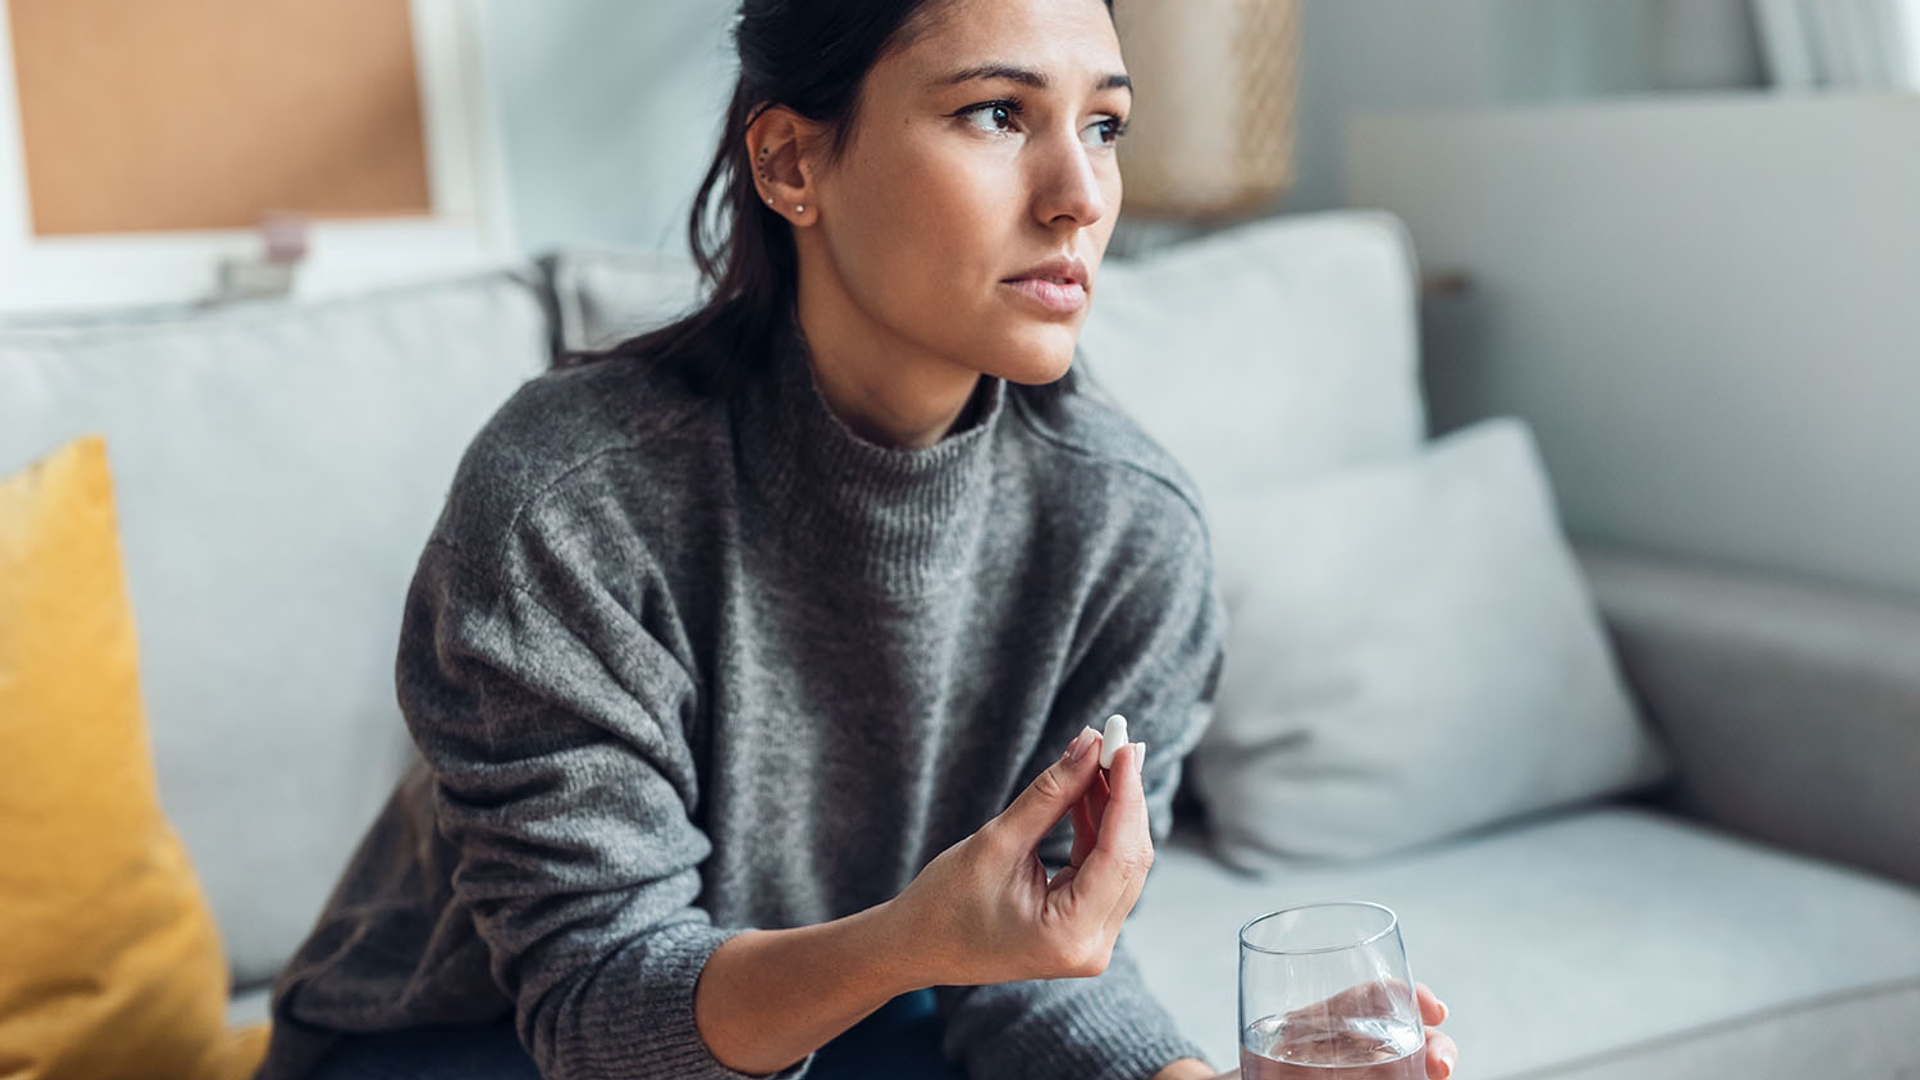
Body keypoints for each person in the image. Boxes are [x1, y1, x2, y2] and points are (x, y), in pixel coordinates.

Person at [253, 1, 1461, 1078]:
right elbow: (592, 1010)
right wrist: (916, 943)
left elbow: (1025, 979)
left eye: (1104, 126)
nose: (1080, 197)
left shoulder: (1128, 534)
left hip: (859, 1017)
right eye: (997, 113)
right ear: (789, 162)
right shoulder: (568, 499)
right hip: (470, 1037)